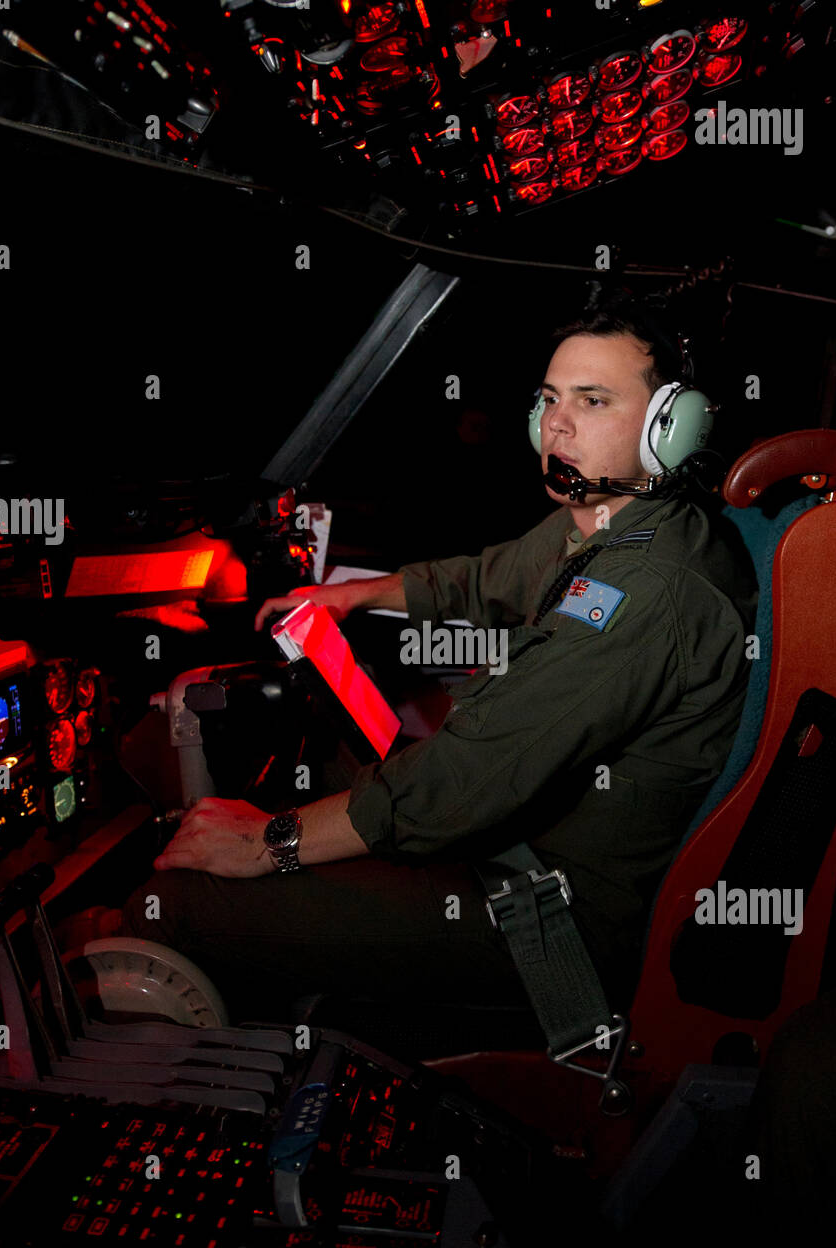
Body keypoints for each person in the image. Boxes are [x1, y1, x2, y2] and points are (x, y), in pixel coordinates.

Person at [121, 304, 758, 1031]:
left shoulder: (647, 592)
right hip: (515, 841)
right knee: (333, 761)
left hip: (550, 908)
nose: (556, 423)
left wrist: (267, 843)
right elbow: (485, 577)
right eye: (549, 399)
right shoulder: (609, 521)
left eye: (593, 400)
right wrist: (353, 594)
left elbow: (466, 780)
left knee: (173, 906)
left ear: (668, 431)